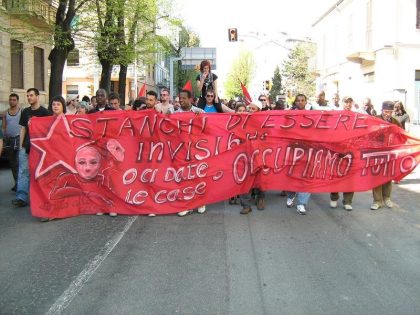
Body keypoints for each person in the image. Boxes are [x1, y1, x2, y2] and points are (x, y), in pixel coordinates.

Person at [12, 88, 50, 208]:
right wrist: (20, 146)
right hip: (26, 146)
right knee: (23, 172)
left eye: (31, 95)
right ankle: (21, 197)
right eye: (27, 96)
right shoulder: (25, 112)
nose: (29, 98)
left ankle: (40, 197)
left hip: (40, 148)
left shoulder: (45, 112)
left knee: (39, 173)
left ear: (37, 96)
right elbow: (23, 128)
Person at [174, 89, 206, 217]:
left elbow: (208, 129)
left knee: (198, 176)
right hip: (180, 151)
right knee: (184, 177)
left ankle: (200, 202)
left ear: (190, 99)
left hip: (197, 150)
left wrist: (200, 119)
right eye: (180, 98)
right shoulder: (174, 113)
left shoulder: (199, 112)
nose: (181, 100)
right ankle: (186, 204)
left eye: (183, 98)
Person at [370, 101, 402, 210]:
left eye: (389, 112)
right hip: (377, 154)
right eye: (385, 111)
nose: (387, 114)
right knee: (377, 177)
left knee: (388, 176)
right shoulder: (375, 119)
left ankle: (387, 198)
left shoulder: (396, 122)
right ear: (382, 110)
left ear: (392, 111)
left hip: (391, 154)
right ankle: (377, 201)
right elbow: (369, 135)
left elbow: (402, 136)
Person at [286, 94, 312, 215]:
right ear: (295, 102)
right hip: (292, 150)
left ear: (306, 102)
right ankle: (291, 195)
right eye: (298, 100)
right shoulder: (289, 115)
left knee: (306, 177)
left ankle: (302, 203)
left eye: (303, 100)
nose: (300, 102)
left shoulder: (313, 115)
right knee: (291, 175)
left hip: (308, 149)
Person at [329, 96, 356, 211]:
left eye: (350, 102)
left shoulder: (357, 116)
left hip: (352, 150)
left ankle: (348, 201)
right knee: (336, 174)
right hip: (337, 149)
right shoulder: (335, 115)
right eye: (346, 102)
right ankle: (334, 198)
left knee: (350, 177)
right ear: (342, 103)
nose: (348, 104)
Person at [2, 93, 21, 192]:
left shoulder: (21, 112)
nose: (12, 101)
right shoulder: (6, 113)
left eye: (14, 100)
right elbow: (4, 127)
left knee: (18, 162)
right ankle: (16, 183)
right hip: (9, 139)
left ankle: (20, 184)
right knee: (12, 163)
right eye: (10, 99)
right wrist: (4, 137)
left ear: (17, 101)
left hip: (18, 139)